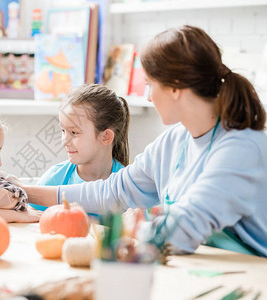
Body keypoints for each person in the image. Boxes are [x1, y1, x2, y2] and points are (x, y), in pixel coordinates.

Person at [23, 25, 267, 257]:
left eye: (151, 85)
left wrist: (133, 225)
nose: (149, 97)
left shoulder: (242, 148)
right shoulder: (172, 141)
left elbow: (181, 232)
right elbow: (113, 191)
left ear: (175, 88)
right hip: (198, 268)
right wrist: (25, 192)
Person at [33, 84, 129, 211]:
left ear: (105, 136)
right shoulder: (55, 178)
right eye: (63, 130)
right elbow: (29, 220)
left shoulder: (127, 186)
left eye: (74, 132)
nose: (64, 141)